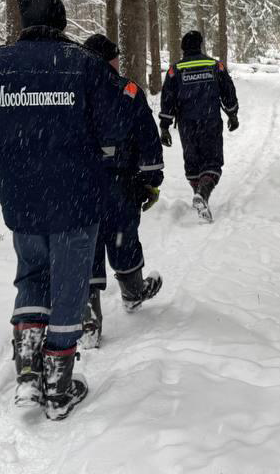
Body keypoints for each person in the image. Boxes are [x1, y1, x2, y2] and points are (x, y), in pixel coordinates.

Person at [0, 0, 139, 421]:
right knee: (70, 284)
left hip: (22, 197)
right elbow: (116, 125)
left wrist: (12, 118)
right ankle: (58, 383)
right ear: (60, 20)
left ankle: (28, 371)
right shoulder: (82, 65)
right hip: (75, 196)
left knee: (32, 276)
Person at [81, 34, 164, 348]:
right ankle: (132, 292)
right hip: (120, 183)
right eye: (115, 57)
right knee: (123, 237)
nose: (118, 62)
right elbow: (147, 139)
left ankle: (88, 321)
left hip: (81, 185)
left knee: (85, 245)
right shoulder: (128, 91)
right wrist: (152, 179)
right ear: (111, 60)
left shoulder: (71, 93)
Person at [158, 30, 239, 222]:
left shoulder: (174, 70)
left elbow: (167, 98)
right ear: (200, 45)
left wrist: (164, 126)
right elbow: (228, 90)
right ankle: (203, 193)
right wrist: (232, 113)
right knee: (212, 161)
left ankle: (200, 195)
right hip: (210, 121)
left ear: (183, 48)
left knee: (193, 163)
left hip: (187, 124)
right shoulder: (214, 65)